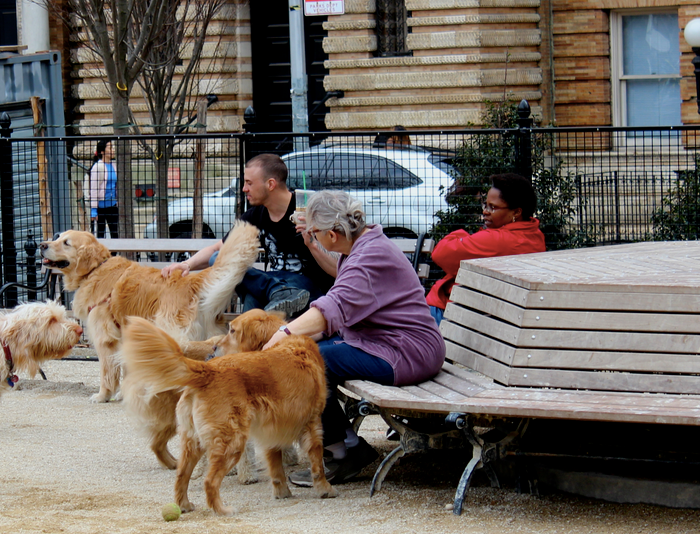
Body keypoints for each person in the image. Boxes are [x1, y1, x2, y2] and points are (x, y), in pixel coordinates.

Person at [261, 190, 445, 486]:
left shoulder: (369, 256)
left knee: (310, 361)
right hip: (390, 344)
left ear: (332, 234)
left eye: (315, 232)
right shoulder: (364, 246)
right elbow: (341, 291)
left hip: (407, 353)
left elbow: (330, 309)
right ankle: (346, 444)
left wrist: (282, 334)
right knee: (309, 353)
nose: (314, 237)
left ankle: (342, 455)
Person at [161, 153, 334, 317]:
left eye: (249, 183)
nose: (244, 189)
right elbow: (217, 249)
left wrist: (313, 241)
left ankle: (270, 296)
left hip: (307, 291)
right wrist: (187, 265)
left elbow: (339, 267)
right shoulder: (255, 216)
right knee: (218, 258)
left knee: (255, 296)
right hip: (274, 286)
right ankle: (273, 292)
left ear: (271, 184)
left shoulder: (310, 209)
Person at [426, 173, 546, 325]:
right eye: (485, 205)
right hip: (479, 313)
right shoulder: (533, 235)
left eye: (493, 207)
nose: (485, 211)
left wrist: (461, 234)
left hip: (450, 312)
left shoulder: (498, 240)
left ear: (516, 212)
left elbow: (440, 253)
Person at [87, 139, 118, 239]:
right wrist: (94, 210)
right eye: (110, 147)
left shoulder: (114, 165)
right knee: (100, 234)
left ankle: (113, 253)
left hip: (112, 205)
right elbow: (94, 189)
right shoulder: (98, 167)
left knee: (115, 233)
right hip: (101, 207)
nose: (113, 150)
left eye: (112, 147)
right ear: (102, 152)